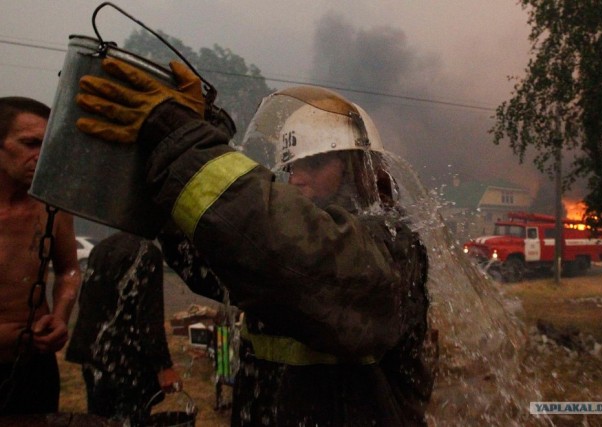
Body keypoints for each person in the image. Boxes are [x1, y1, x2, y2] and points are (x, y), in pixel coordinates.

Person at [74, 58, 437, 425]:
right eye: (293, 167)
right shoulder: (270, 249)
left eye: (315, 164)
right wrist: (184, 155)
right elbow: (216, 254)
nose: (297, 179)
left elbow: (298, 252)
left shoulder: (392, 242)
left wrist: (184, 142)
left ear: (356, 168)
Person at [0, 97, 81, 415]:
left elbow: (69, 271)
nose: (40, 155)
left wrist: (60, 317)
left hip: (34, 366)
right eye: (29, 143)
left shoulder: (51, 205)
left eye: (45, 144)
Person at [66, 231, 182, 426]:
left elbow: (86, 300)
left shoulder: (101, 247)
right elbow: (149, 318)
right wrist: (164, 366)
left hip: (95, 358)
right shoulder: (148, 253)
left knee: (100, 419)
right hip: (129, 366)